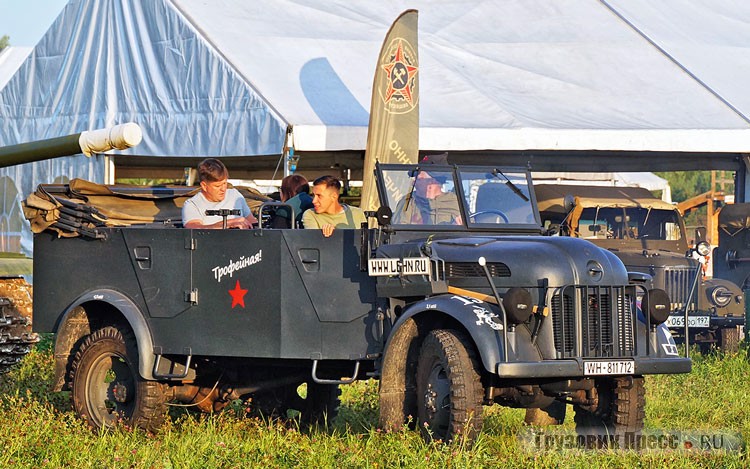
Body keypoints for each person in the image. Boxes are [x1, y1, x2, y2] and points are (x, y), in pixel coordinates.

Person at [182, 158, 258, 229]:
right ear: (204, 186)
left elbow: (253, 223)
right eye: (217, 186)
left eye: (225, 183)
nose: (223, 189)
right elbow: (194, 229)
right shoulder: (192, 204)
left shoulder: (235, 195)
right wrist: (227, 224)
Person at [393, 170, 462, 225]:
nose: (413, 183)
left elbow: (468, 229)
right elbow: (397, 232)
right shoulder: (408, 201)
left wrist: (457, 226)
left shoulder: (455, 203)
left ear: (432, 182)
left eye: (419, 179)